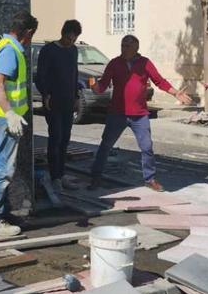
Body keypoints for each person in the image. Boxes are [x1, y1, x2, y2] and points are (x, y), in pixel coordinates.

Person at [88, 35, 193, 192]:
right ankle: (95, 178)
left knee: (146, 147)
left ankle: (149, 179)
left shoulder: (145, 63)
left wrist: (176, 93)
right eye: (122, 45)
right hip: (118, 113)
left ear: (136, 48)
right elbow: (102, 86)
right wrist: (95, 87)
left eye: (127, 46)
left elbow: (160, 81)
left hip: (139, 114)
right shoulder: (114, 63)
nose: (123, 48)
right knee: (105, 146)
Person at [0, 11, 38, 236]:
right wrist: (10, 113)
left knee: (4, 167)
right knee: (3, 169)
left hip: (4, 119)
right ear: (28, 32)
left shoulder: (8, 47)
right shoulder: (9, 51)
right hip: (3, 120)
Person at [36, 20, 82, 192]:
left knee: (65, 139)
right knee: (55, 138)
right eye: (69, 38)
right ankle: (54, 176)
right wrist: (45, 93)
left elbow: (74, 74)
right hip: (53, 102)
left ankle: (61, 175)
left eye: (74, 39)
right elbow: (41, 75)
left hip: (68, 102)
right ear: (63, 33)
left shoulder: (73, 51)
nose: (71, 42)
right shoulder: (48, 50)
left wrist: (76, 96)